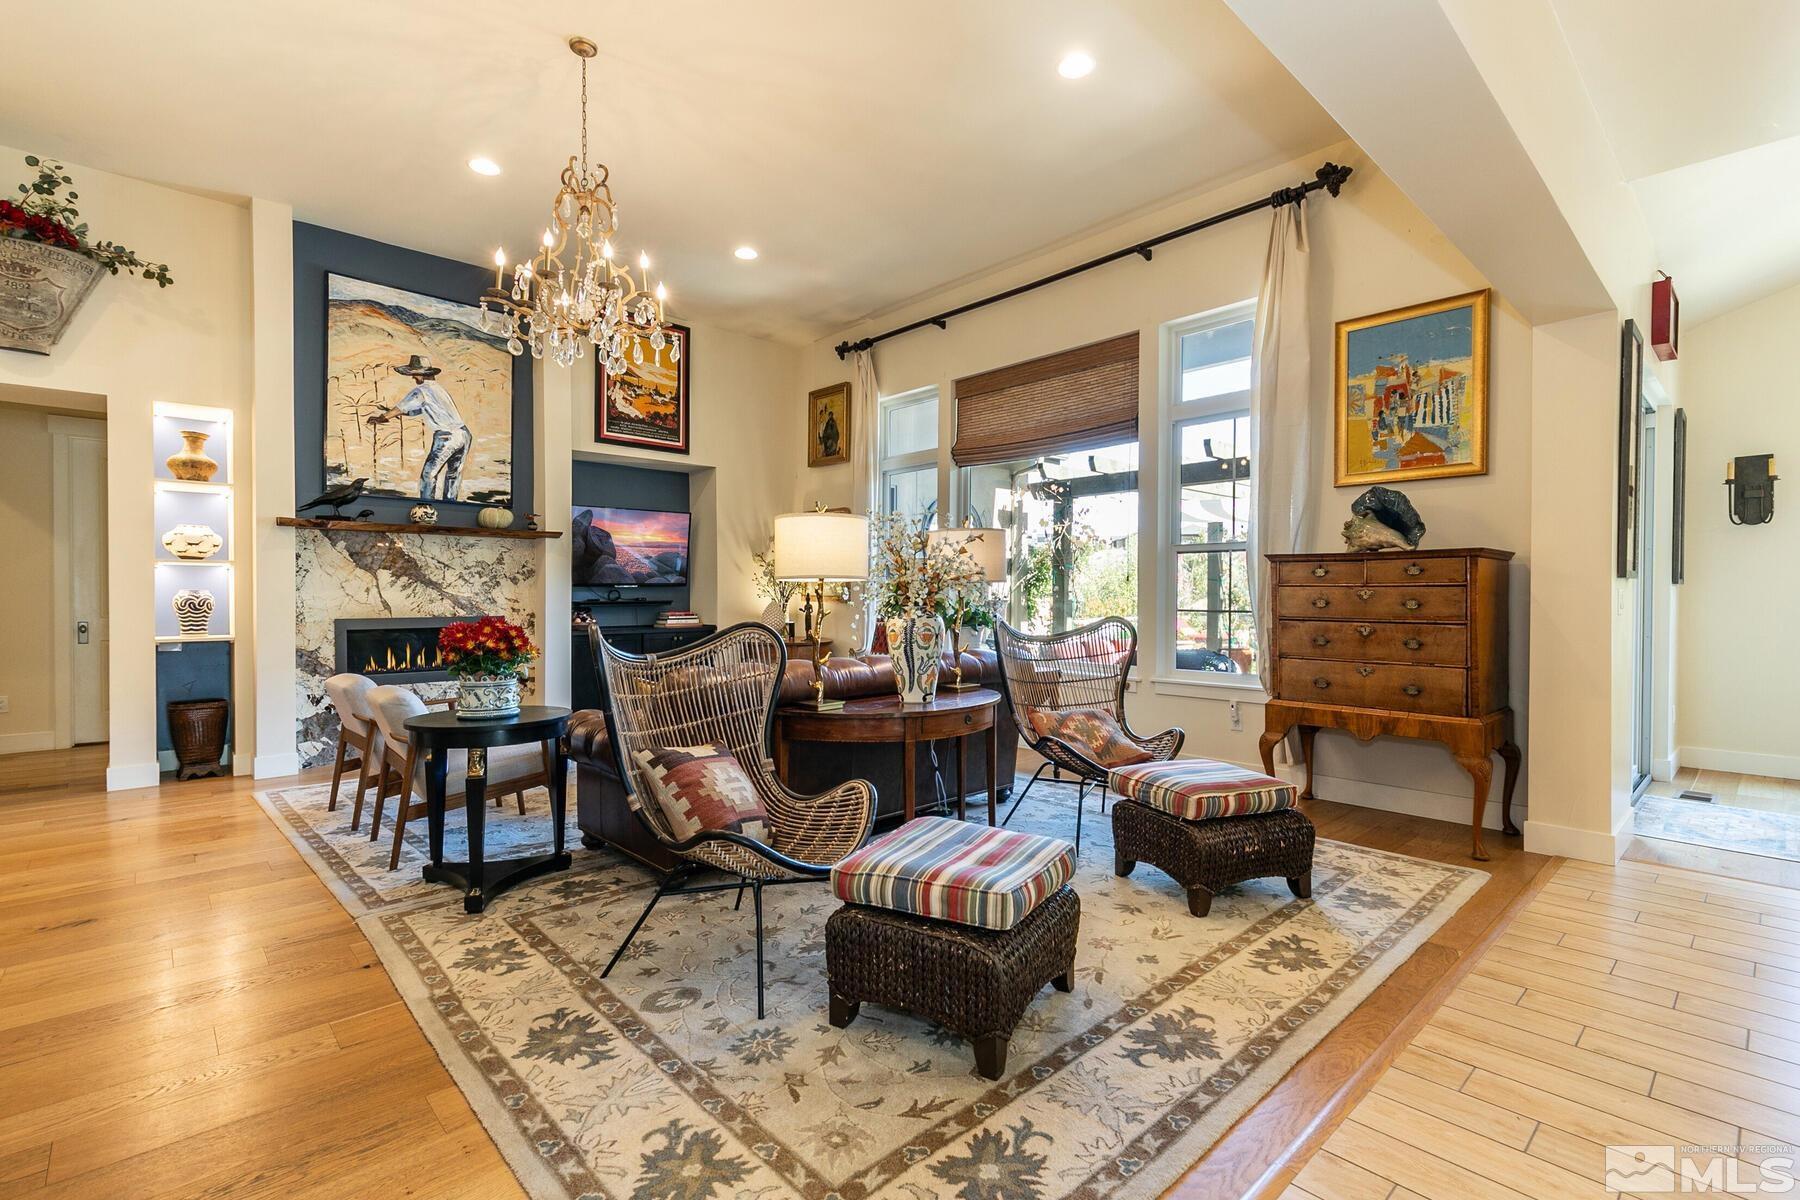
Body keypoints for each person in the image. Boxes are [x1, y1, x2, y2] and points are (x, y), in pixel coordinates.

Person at [368, 355, 473, 501]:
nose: (413, 378)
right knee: (453, 475)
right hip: (464, 433)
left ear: (421, 374)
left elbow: (401, 407)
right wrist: (391, 412)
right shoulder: (438, 388)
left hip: (447, 436)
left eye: (414, 374)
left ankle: (426, 506)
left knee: (428, 475)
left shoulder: (422, 390)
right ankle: (450, 504)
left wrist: (382, 417)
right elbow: (417, 410)